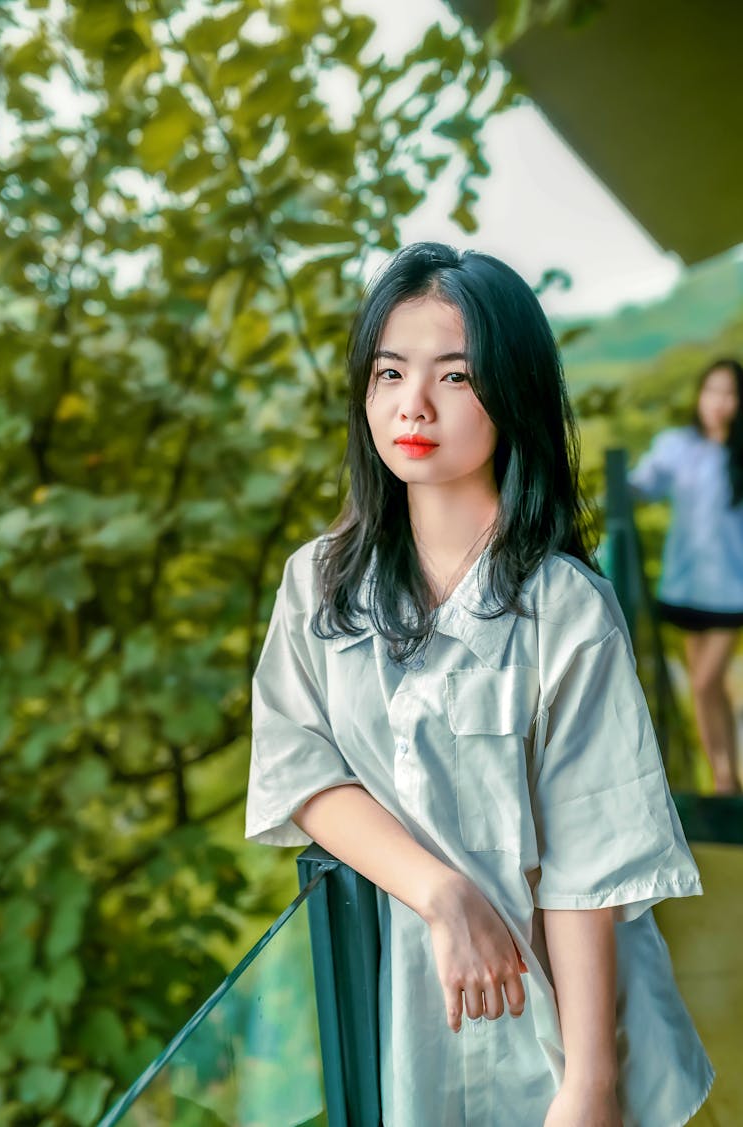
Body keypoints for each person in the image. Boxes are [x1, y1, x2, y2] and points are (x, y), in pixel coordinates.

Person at [245, 243, 713, 1126]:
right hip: (404, 1005)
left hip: (562, 1021)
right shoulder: (320, 584)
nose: (411, 404)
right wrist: (439, 888)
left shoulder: (566, 609)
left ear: (514, 392)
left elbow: (589, 861)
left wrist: (590, 1082)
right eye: (389, 371)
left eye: (456, 378)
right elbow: (296, 767)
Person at [629, 358, 743, 795]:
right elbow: (645, 484)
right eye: (712, 391)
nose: (719, 402)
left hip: (733, 591)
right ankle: (726, 777)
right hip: (686, 585)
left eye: (730, 394)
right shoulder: (678, 446)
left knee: (704, 681)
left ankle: (724, 782)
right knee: (706, 691)